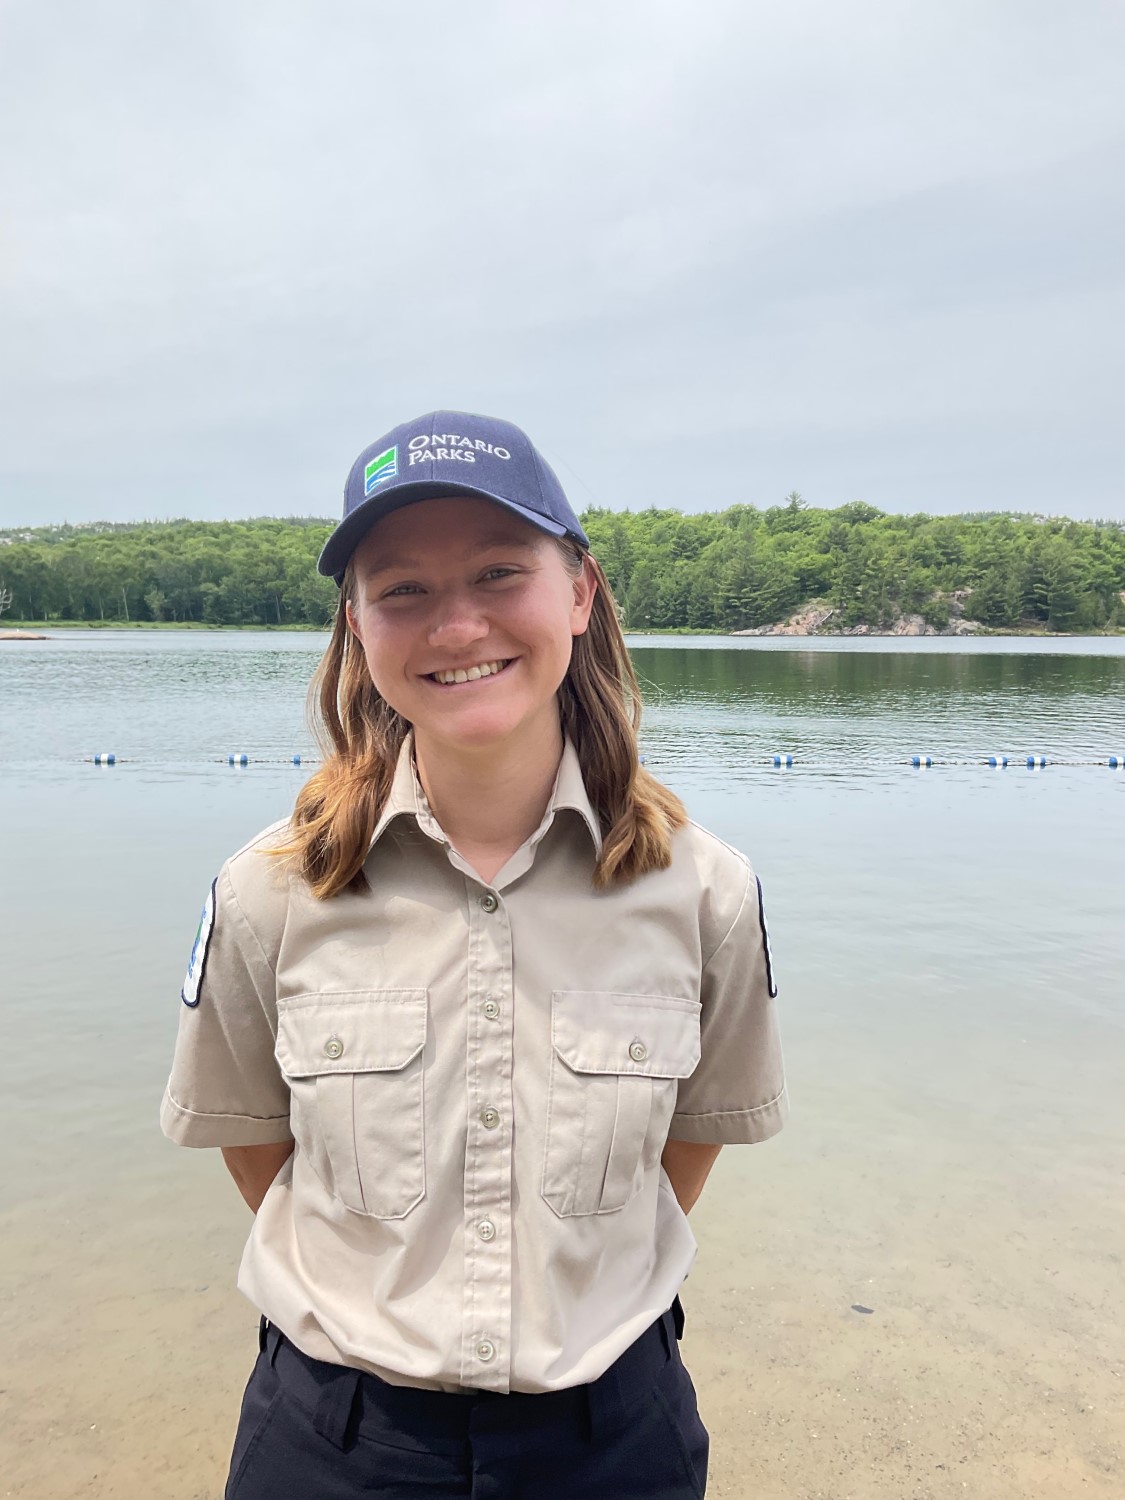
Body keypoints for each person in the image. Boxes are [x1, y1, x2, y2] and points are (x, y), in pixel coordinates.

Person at [159, 410, 787, 1500]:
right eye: (402, 589)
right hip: (332, 1444)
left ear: (580, 593)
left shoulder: (705, 891)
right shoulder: (268, 890)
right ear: (356, 625)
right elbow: (255, 1146)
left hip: (613, 1441)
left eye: (501, 572)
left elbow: (687, 1149)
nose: (457, 626)